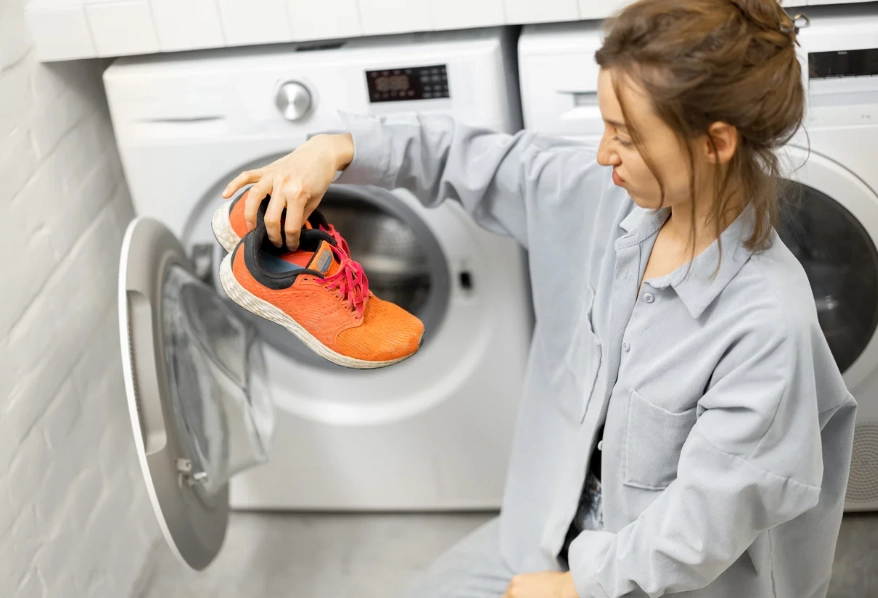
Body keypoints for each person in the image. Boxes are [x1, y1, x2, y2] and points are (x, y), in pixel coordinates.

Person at [222, 0, 857, 595]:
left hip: (658, 580)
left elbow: (702, 523)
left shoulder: (768, 323)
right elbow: (474, 161)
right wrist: (332, 149)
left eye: (627, 136)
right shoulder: (601, 200)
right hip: (543, 531)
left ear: (716, 143)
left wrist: (576, 585)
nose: (605, 152)